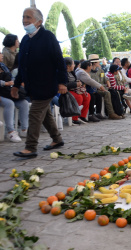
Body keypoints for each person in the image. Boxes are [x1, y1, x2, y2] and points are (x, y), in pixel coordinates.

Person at [12, 7, 67, 158]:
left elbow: (59, 61)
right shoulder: (25, 39)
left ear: (39, 21)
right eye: (23, 17)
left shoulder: (48, 37)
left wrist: (62, 83)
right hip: (33, 87)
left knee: (35, 113)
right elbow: (22, 66)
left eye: (28, 17)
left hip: (47, 85)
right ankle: (57, 139)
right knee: (46, 115)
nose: (24, 20)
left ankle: (30, 147)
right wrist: (16, 85)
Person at [0, 53, 29, 142]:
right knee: (10, 103)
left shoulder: (3, 66)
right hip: (2, 94)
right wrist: (5, 83)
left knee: (24, 103)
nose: (2, 55)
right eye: (0, 54)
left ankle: (24, 129)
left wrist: (12, 82)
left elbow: (11, 78)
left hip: (7, 92)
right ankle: (10, 132)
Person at [88, 54, 123, 120]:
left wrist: (109, 86)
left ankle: (118, 111)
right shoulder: (88, 72)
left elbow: (106, 79)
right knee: (107, 93)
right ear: (94, 63)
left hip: (104, 87)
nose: (99, 63)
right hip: (95, 89)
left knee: (114, 92)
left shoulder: (100, 70)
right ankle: (111, 113)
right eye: (98, 62)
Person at [64, 57, 90, 124]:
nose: (74, 65)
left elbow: (75, 81)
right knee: (78, 97)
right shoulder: (63, 73)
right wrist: (75, 84)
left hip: (74, 89)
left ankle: (82, 116)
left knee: (87, 96)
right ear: (68, 66)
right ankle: (74, 118)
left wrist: (79, 83)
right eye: (73, 64)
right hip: (66, 90)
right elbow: (64, 84)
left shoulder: (72, 72)